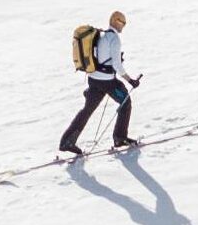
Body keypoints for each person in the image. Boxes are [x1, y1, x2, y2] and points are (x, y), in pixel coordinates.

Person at [59, 10, 142, 155]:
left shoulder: (101, 35)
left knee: (87, 110)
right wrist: (131, 81)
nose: (124, 26)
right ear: (117, 22)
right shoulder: (114, 39)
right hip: (107, 82)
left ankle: (67, 141)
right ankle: (120, 137)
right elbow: (116, 65)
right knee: (125, 103)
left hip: (94, 79)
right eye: (123, 23)